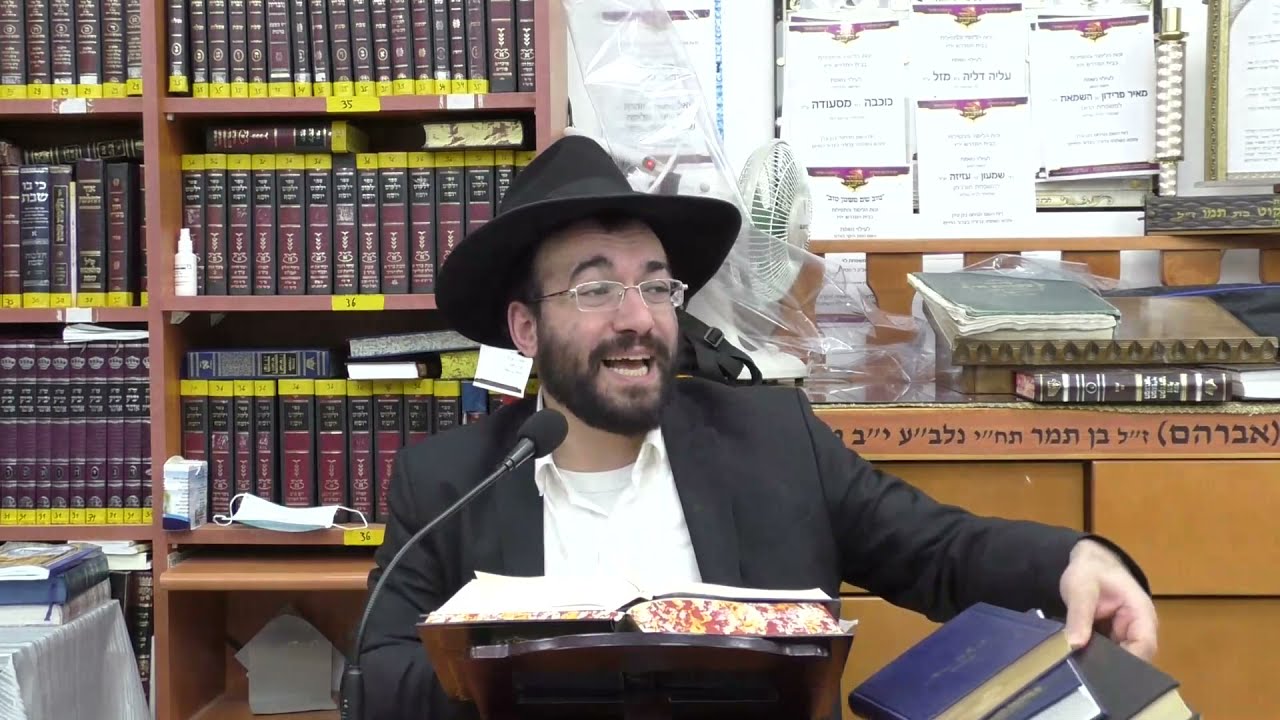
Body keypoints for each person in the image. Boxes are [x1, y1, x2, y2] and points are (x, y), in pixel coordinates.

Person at [357, 135, 1158, 720]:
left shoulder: (774, 442)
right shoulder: (448, 483)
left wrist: (1074, 560)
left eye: (657, 287)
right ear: (527, 329)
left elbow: (940, 550)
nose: (638, 318)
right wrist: (523, 673)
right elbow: (377, 678)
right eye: (596, 290)